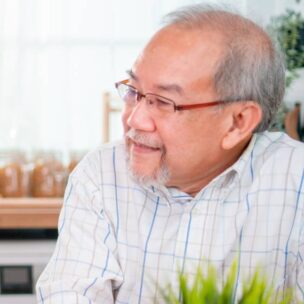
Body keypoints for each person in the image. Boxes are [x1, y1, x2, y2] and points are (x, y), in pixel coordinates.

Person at [36, 4, 304, 303]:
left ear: (237, 122)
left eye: (163, 102)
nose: (134, 120)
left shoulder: (297, 182)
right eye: (134, 91)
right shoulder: (101, 173)